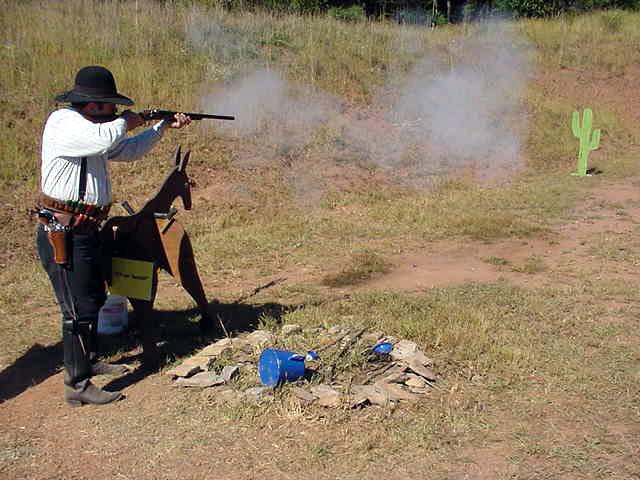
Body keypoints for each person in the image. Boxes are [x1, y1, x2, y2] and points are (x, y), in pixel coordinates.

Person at [36, 65, 191, 406]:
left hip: (86, 229)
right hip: (64, 230)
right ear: (94, 105)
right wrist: (129, 121)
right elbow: (110, 137)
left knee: (91, 299)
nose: (115, 112)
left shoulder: (94, 130)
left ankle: (86, 361)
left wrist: (162, 126)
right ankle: (77, 385)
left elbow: (129, 150)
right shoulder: (65, 123)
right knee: (78, 310)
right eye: (111, 107)